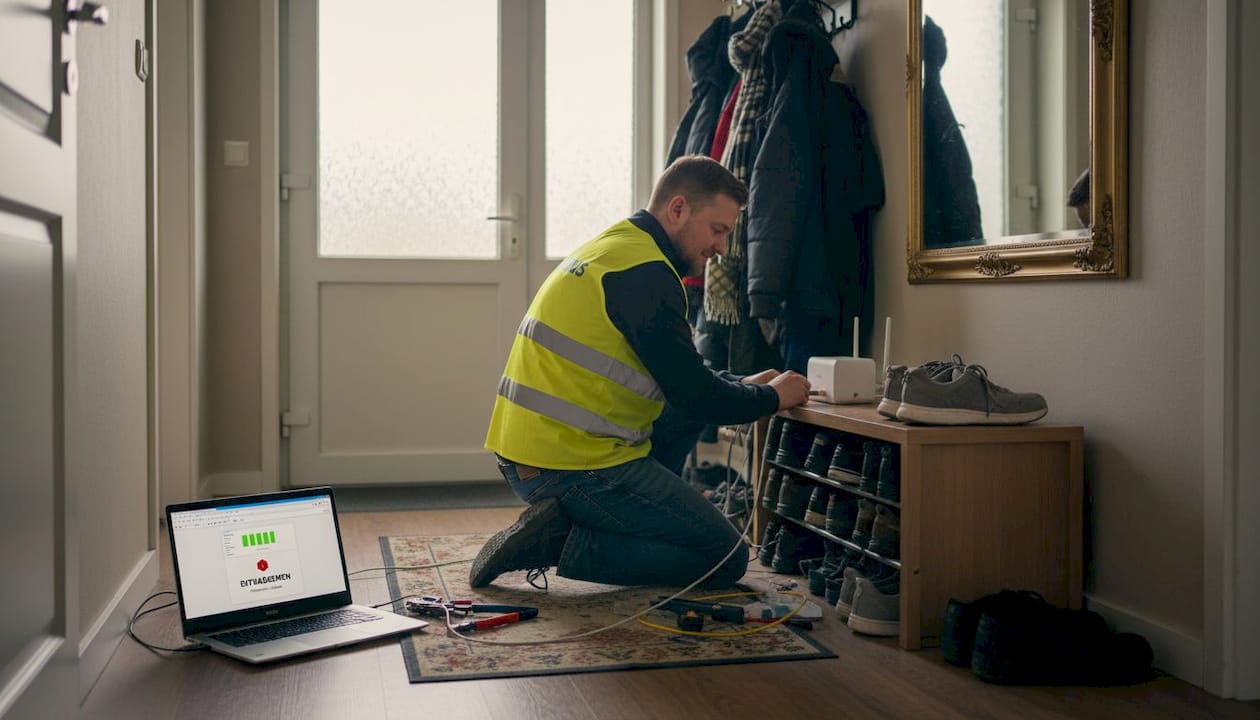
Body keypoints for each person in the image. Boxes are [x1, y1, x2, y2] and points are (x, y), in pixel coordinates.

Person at [472, 155, 812, 590]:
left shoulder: (617, 248)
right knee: (725, 557)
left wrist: (741, 385)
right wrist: (772, 398)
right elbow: (695, 395)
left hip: (528, 457)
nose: (722, 249)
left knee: (686, 414)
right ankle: (558, 543)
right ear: (678, 209)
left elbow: (680, 377)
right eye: (718, 229)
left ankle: (608, 522)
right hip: (567, 467)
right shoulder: (647, 276)